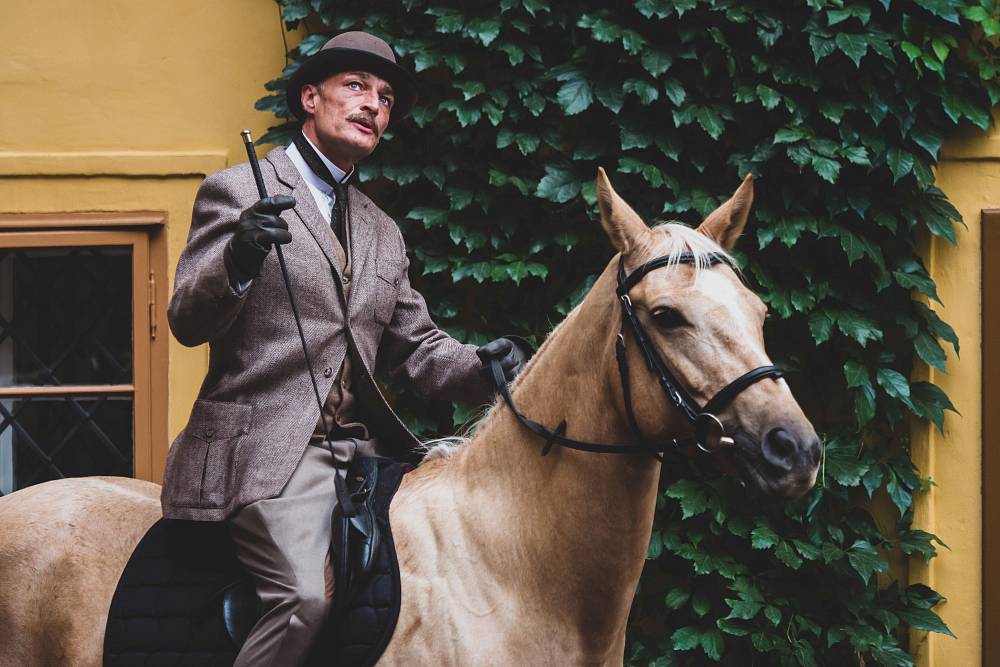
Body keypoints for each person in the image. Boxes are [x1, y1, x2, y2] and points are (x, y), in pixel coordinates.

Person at [161, 31, 529, 666]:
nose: (373, 106)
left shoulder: (383, 232)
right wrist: (239, 256)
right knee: (304, 598)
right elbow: (187, 320)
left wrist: (486, 368)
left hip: (364, 455)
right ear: (311, 97)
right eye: (356, 87)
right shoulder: (239, 190)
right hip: (266, 451)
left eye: (385, 98)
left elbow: (423, 353)